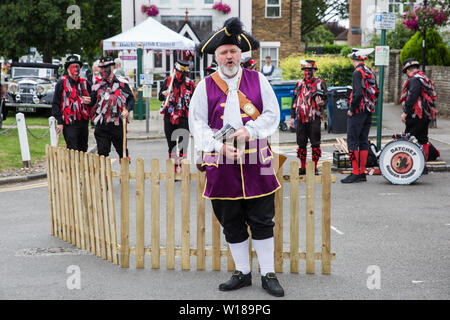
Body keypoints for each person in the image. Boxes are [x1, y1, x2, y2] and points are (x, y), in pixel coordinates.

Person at [190, 17, 284, 297]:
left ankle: (268, 274)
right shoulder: (204, 86)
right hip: (221, 163)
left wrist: (250, 130)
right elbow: (197, 125)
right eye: (223, 52)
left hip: (258, 161)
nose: (229, 56)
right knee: (230, 220)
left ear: (240, 54)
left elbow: (272, 114)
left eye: (233, 51)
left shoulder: (258, 80)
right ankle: (242, 273)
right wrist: (219, 148)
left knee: (263, 219)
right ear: (216, 56)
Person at [341, 48, 379, 183]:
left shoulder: (357, 72)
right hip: (368, 111)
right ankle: (362, 172)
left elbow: (357, 94)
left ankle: (356, 172)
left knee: (352, 141)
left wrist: (352, 109)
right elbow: (377, 92)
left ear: (354, 59)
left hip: (357, 112)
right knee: (363, 141)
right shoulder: (370, 71)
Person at [88, 56, 135, 160]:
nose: (103, 70)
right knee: (102, 152)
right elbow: (92, 102)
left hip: (117, 123)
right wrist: (88, 102)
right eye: (101, 68)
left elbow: (131, 100)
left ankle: (124, 174)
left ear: (113, 68)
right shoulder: (97, 85)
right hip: (102, 124)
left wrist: (127, 110)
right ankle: (104, 175)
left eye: (106, 68)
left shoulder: (122, 83)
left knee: (122, 152)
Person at [399, 58, 437, 173]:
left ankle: (408, 165)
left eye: (406, 71)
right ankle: (423, 166)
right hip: (425, 115)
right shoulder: (424, 78)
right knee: (423, 139)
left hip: (416, 115)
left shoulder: (414, 80)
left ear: (408, 70)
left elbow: (412, 97)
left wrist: (405, 112)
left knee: (409, 140)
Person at [158, 59, 196, 173]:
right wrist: (164, 94)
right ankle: (173, 167)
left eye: (184, 73)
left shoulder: (190, 83)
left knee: (183, 143)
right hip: (169, 116)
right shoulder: (168, 81)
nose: (181, 75)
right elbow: (159, 97)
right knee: (171, 143)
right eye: (180, 72)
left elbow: (195, 100)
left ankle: (184, 167)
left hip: (184, 116)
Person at [290, 60, 327, 175]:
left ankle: (314, 167)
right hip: (300, 118)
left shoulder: (320, 83)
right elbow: (294, 100)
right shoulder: (299, 83)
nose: (307, 73)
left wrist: (322, 104)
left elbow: (326, 100)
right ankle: (302, 167)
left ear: (314, 71)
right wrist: (292, 117)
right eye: (305, 70)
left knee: (315, 143)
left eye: (310, 70)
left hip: (314, 118)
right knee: (301, 143)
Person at [51, 55, 92, 152]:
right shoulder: (61, 84)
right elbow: (56, 104)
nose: (75, 70)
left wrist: (89, 102)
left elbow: (93, 101)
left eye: (77, 67)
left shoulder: (86, 84)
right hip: (69, 122)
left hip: (83, 121)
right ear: (68, 70)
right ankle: (73, 166)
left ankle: (81, 166)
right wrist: (60, 122)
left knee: (83, 148)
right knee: (72, 147)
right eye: (72, 67)